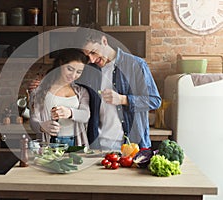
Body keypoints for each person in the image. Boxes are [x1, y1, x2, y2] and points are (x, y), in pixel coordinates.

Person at [29, 27, 161, 151]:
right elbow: (65, 78)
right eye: (87, 56)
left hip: (130, 146)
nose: (91, 59)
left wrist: (123, 99)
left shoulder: (135, 64)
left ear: (104, 40)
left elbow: (154, 101)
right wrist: (44, 82)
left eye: (93, 52)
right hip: (96, 146)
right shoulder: (89, 70)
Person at [29, 48, 90, 147]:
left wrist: (70, 112)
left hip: (74, 143)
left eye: (79, 72)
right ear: (61, 64)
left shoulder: (82, 92)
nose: (73, 75)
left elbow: (85, 116)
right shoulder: (39, 90)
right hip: (49, 143)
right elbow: (33, 121)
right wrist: (41, 126)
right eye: (70, 69)